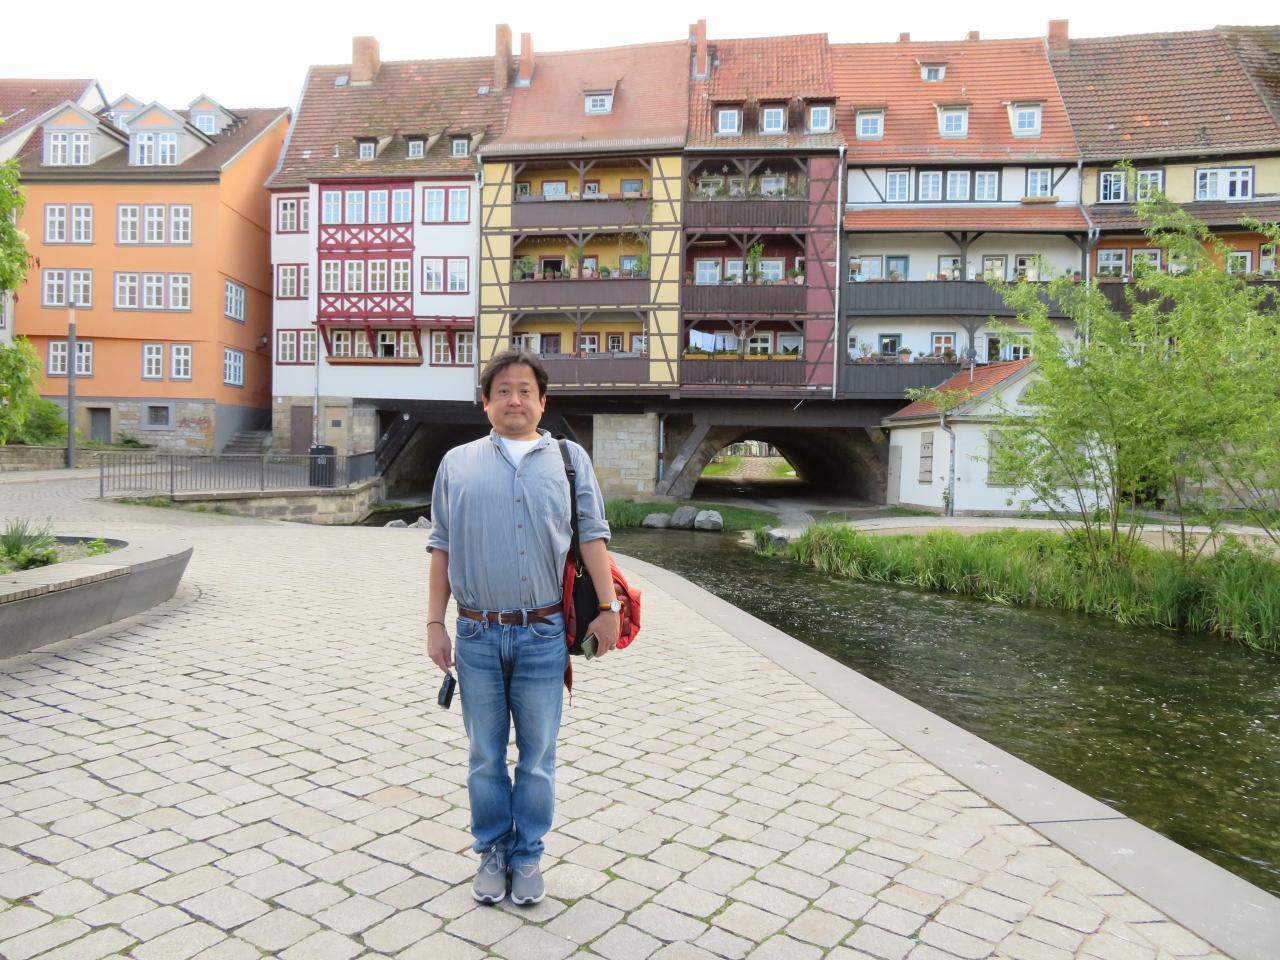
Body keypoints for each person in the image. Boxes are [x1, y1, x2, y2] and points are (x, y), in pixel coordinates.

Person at [425, 349, 620, 907]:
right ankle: (492, 850)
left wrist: (609, 607)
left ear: (542, 401)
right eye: (503, 391)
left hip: (543, 633)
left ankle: (527, 854)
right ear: (485, 403)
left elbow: (592, 536)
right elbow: (441, 546)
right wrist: (435, 623)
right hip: (477, 634)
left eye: (525, 391)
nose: (515, 400)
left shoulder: (569, 460)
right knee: (485, 755)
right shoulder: (456, 463)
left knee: (537, 756)